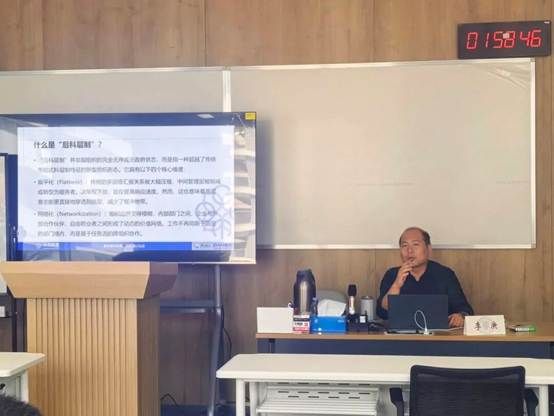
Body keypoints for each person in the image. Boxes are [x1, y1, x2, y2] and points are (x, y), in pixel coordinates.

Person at [376, 227, 473, 328]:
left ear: (428, 249)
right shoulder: (392, 275)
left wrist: (460, 316)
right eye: (404, 245)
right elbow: (381, 312)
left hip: (439, 335)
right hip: (401, 334)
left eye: (415, 244)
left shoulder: (445, 274)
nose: (409, 250)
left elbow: (465, 310)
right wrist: (396, 285)